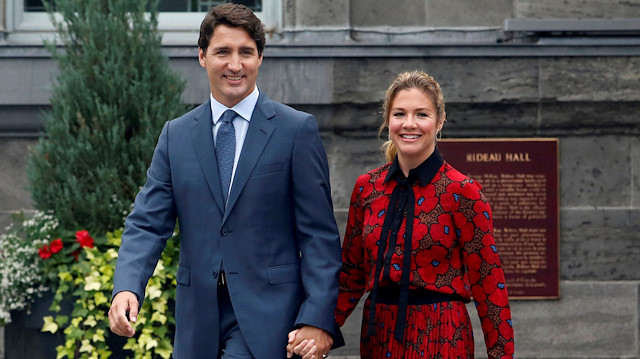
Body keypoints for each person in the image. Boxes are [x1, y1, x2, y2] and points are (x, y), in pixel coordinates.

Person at [108, 4, 343, 359]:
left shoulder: (296, 130)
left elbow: (319, 237)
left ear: (260, 57)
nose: (235, 65)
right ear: (202, 56)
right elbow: (147, 223)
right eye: (223, 52)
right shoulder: (176, 135)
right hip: (197, 321)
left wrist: (317, 318)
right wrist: (127, 287)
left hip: (269, 319)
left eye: (245, 52)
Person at [292, 70, 514, 359]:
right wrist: (318, 327)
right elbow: (351, 275)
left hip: (442, 335)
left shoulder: (462, 191)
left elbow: (488, 281)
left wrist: (502, 355)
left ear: (440, 122)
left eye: (421, 114)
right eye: (400, 114)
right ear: (388, 121)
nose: (409, 124)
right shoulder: (367, 188)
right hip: (378, 335)